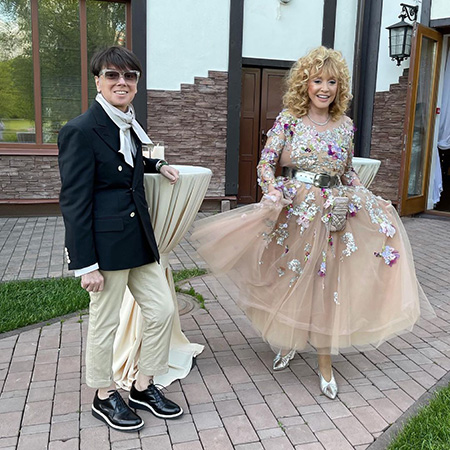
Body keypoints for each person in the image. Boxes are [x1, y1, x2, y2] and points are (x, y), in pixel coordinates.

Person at [192, 46, 432, 400]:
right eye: (318, 80)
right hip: (297, 211)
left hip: (335, 213)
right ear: (305, 82)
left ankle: (324, 362)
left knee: (327, 284)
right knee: (291, 278)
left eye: (332, 82)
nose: (324, 88)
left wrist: (369, 198)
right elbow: (265, 163)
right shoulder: (289, 119)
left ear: (339, 87)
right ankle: (289, 340)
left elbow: (346, 171)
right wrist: (272, 191)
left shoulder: (345, 126)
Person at [58, 46, 183, 432]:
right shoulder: (80, 130)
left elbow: (127, 162)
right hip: (105, 247)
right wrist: (85, 264)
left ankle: (143, 386)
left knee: (162, 311)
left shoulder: (127, 123)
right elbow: (74, 202)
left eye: (129, 76)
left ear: (136, 83)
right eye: (112, 75)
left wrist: (157, 164)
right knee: (105, 323)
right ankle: (103, 393)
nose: (122, 82)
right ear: (98, 81)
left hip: (138, 239)